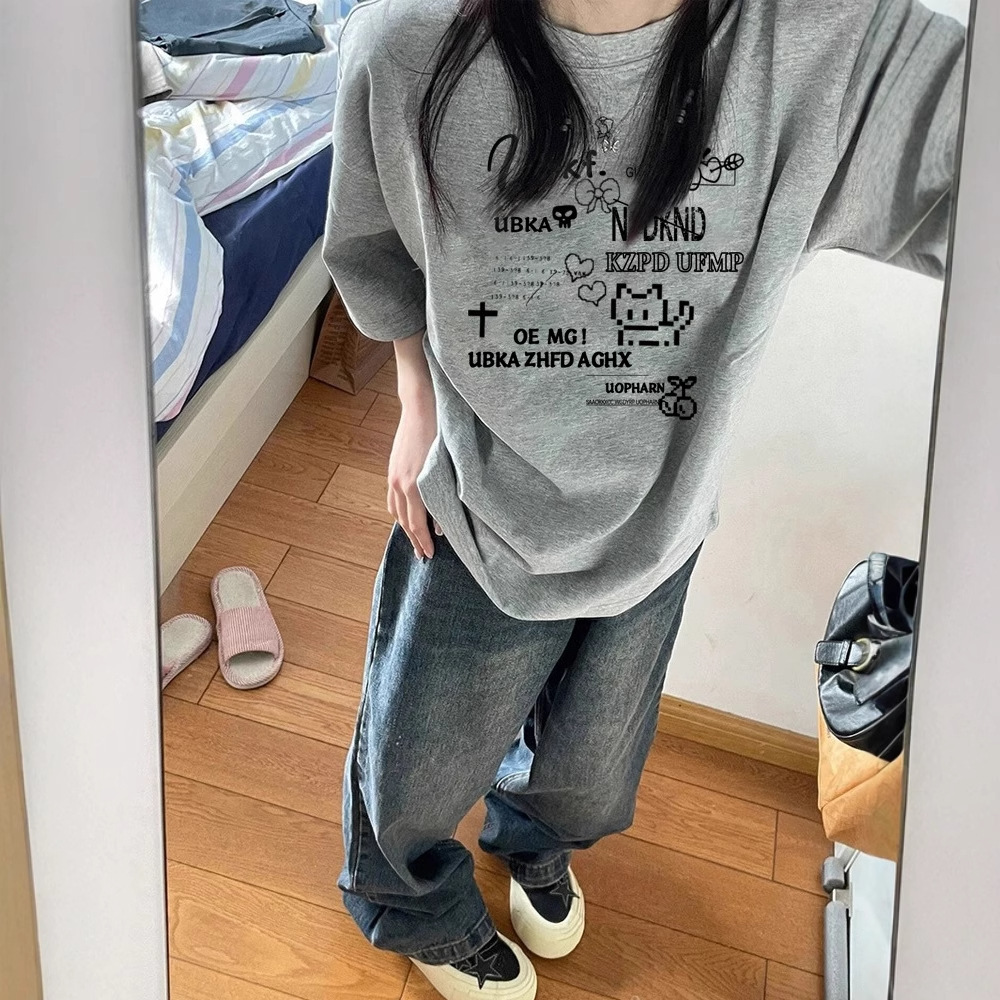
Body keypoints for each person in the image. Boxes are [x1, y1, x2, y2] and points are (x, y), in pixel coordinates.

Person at [322, 0, 966, 997]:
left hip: (659, 528)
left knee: (589, 772)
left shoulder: (825, 42)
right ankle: (409, 902)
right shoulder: (404, 43)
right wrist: (413, 401)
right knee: (413, 764)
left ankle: (532, 838)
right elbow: (374, 252)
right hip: (478, 514)